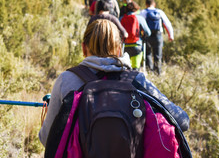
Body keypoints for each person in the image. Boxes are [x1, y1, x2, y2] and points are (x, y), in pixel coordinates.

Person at [39, 19, 189, 149]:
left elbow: (47, 139)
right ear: (119, 49)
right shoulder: (137, 80)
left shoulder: (66, 80)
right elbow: (182, 122)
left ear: (84, 48)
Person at [140, 0, 174, 75]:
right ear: (154, 4)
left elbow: (140, 24)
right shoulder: (159, 12)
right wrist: (171, 35)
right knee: (158, 55)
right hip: (158, 35)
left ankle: (149, 71)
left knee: (147, 53)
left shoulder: (143, 12)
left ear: (146, 4)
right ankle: (158, 72)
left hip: (147, 36)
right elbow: (167, 24)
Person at [120, 2, 151, 70]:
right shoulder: (140, 18)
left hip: (125, 46)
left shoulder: (122, 18)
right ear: (136, 9)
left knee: (126, 67)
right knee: (135, 68)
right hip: (137, 45)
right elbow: (148, 33)